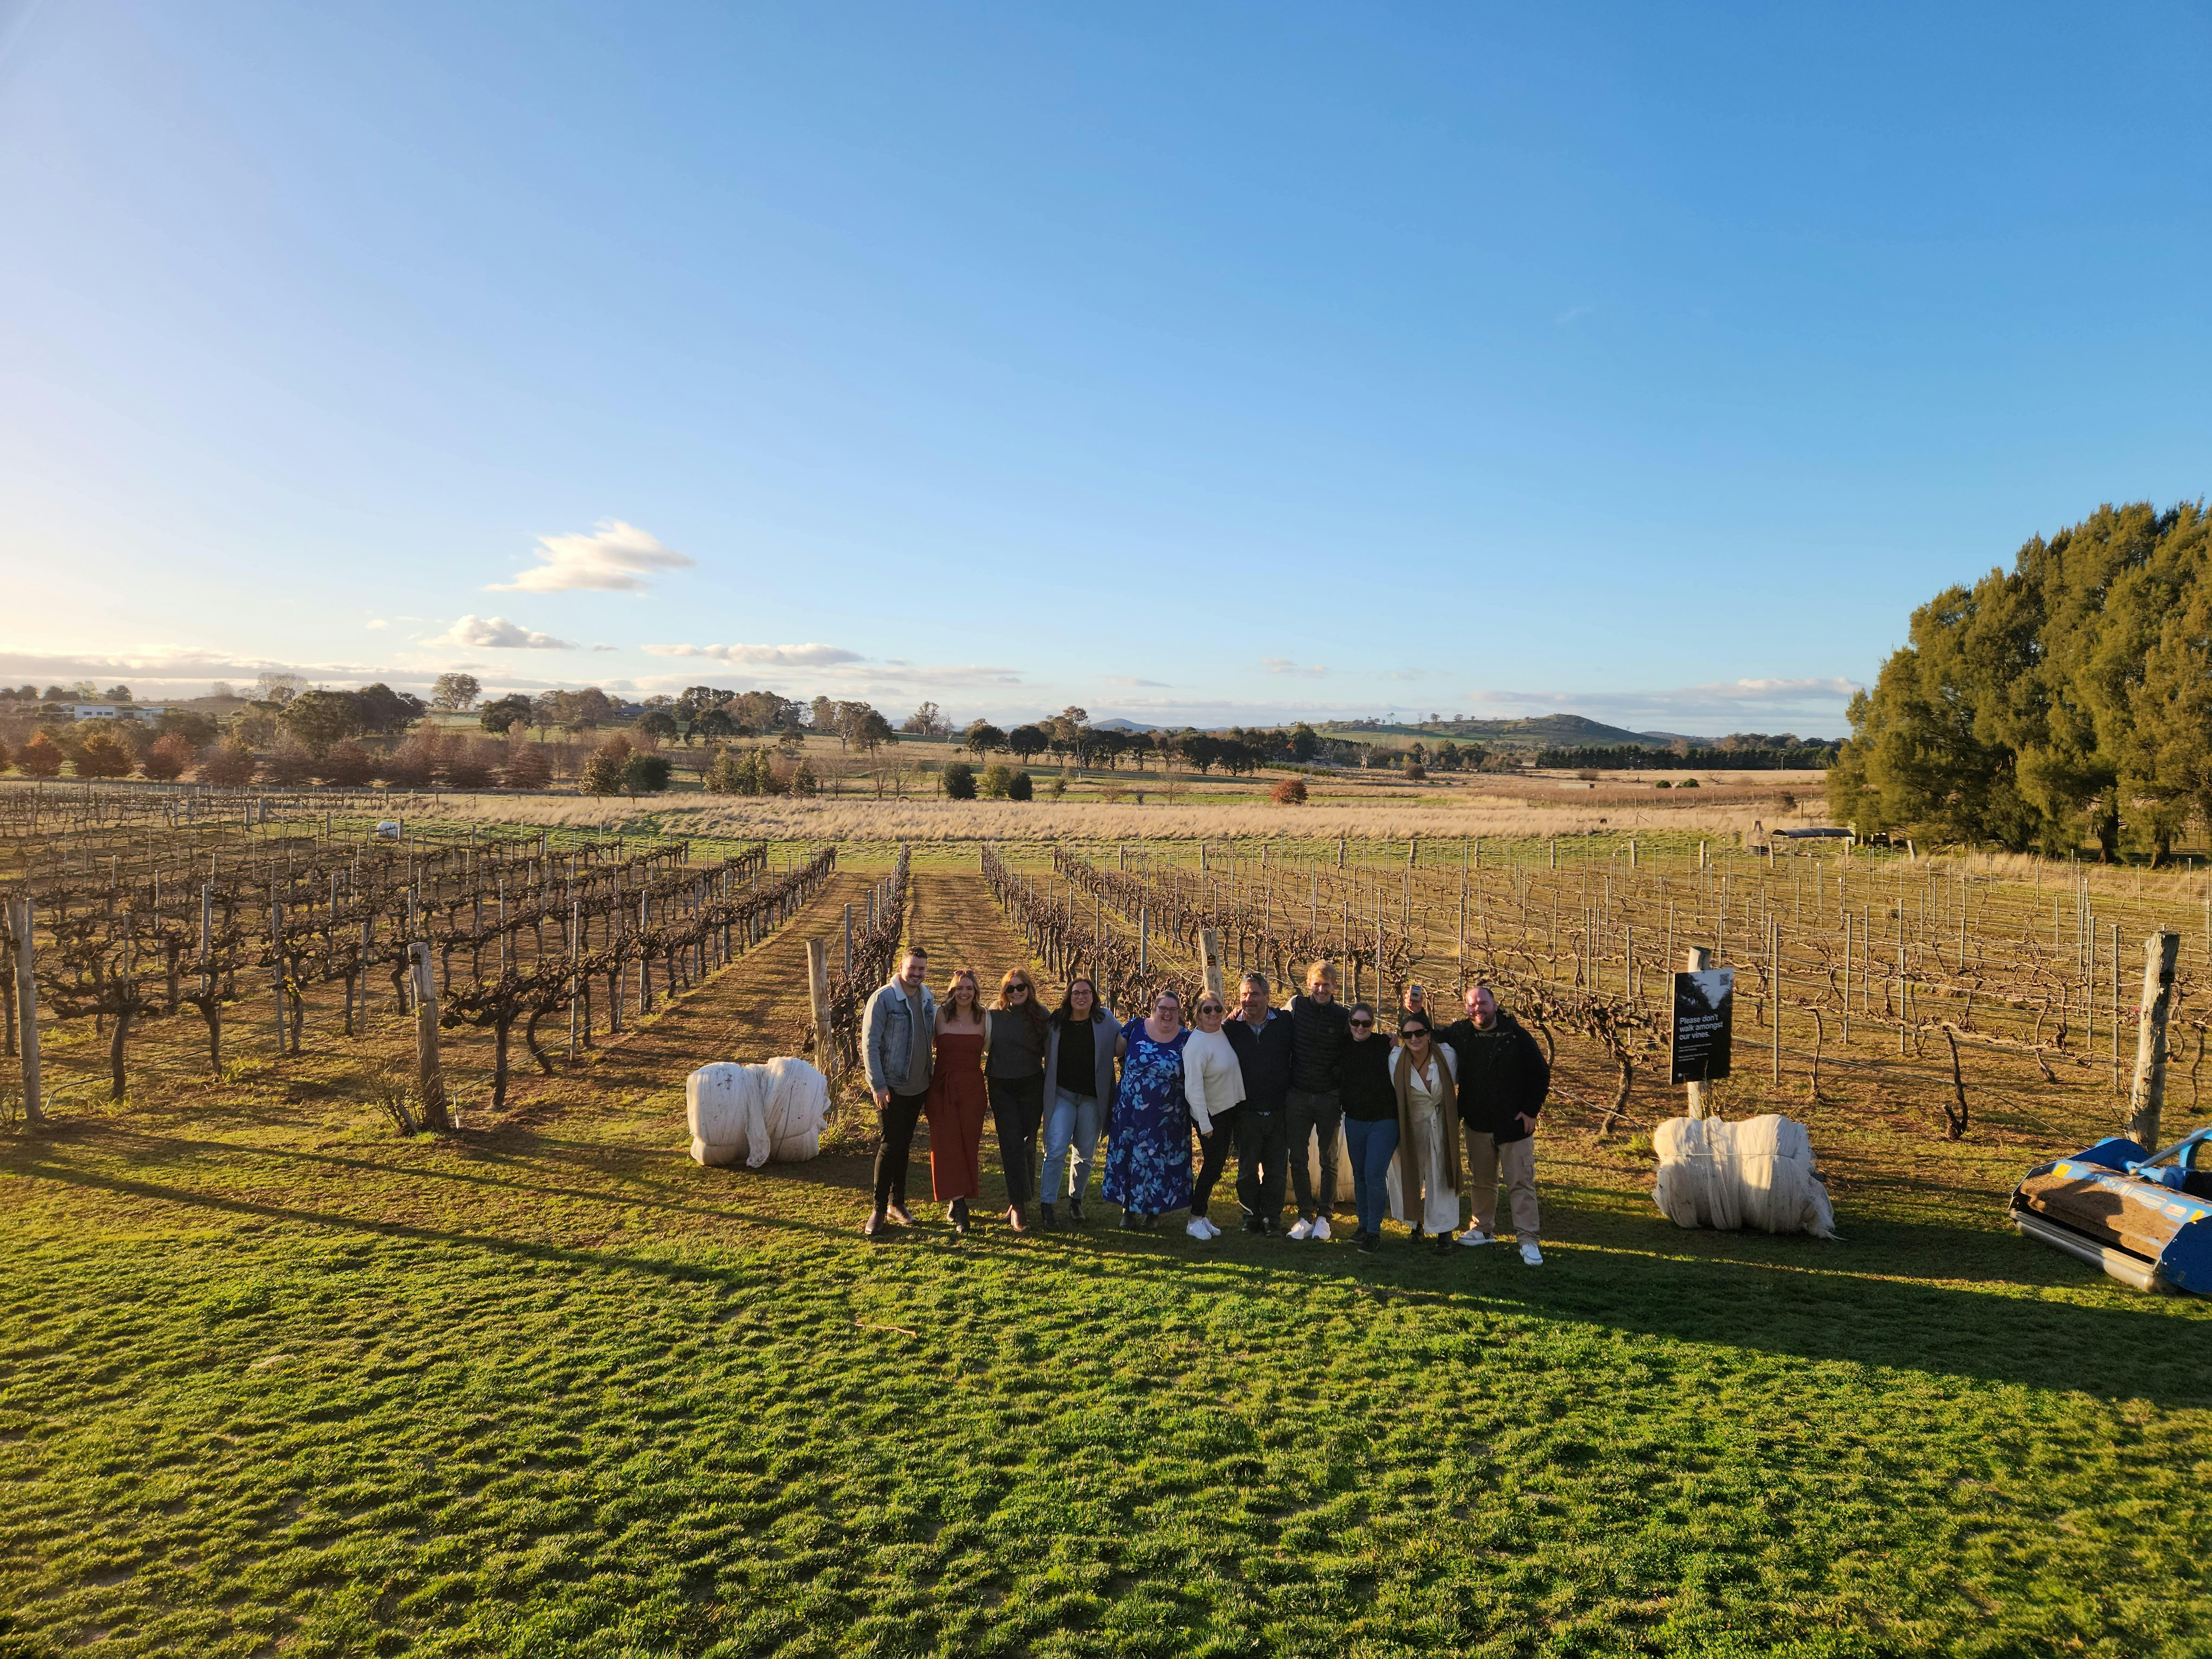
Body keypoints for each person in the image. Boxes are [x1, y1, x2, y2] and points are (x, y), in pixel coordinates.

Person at [1439, 983, 1549, 1265]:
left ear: (1495, 1004)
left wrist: (1530, 1112)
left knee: (1521, 1184)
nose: (1478, 1009)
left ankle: (1528, 1240)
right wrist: (1410, 1016)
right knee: (1482, 1183)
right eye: (1472, 1005)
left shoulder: (1516, 1036)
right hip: (1478, 1125)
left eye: (1483, 1004)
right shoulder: (1462, 1033)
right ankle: (1483, 1229)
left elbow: (1540, 1073)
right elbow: (1428, 1035)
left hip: (1513, 1126)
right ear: (1466, 1007)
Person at [860, 946, 935, 1236]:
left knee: (904, 1144)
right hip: (891, 1086)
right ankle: (879, 1209)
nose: (917, 974)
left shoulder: (927, 996)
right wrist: (878, 1084)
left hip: (919, 1086)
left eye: (922, 969)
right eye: (912, 968)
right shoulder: (884, 998)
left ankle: (898, 1204)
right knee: (890, 1144)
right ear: (901, 967)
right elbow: (870, 1044)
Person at [1104, 987, 1192, 1228]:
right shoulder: (1135, 1027)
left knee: (1159, 1160)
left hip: (1168, 1114)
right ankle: (1128, 1210)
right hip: (1131, 1109)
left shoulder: (1187, 1038)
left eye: (1173, 1010)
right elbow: (1115, 1051)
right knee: (1130, 1157)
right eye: (1162, 1009)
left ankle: (1153, 1212)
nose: (1167, 1014)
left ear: (1179, 1013)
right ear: (1154, 1009)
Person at [1223, 972, 1295, 1234]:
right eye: (1244, 994)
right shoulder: (1230, 1028)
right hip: (1246, 1112)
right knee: (1247, 1170)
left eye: (1254, 994)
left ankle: (1272, 1219)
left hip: (1279, 1111)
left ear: (1268, 996)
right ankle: (1250, 1218)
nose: (1249, 999)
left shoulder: (1285, 1022)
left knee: (1276, 1170)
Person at [1040, 976, 1116, 1226]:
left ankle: (1076, 1202)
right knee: (1056, 1151)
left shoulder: (1105, 1021)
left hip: (1092, 1100)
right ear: (1069, 997)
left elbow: (1127, 1039)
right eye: (1076, 993)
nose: (1081, 997)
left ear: (1094, 997)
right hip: (1063, 1096)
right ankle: (1048, 1205)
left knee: (1085, 1154)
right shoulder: (1056, 1022)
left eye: (1086, 993)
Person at [1285, 958, 1350, 1241]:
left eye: (1327, 985)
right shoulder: (1296, 1007)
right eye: (1317, 984)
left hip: (1328, 1097)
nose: (1321, 989)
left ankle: (1325, 1216)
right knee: (1297, 1157)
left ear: (1335, 986)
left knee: (1329, 1158)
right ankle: (1304, 1215)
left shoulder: (1343, 1017)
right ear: (1309, 984)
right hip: (1298, 1094)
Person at [983, 967, 1050, 1233]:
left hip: (1032, 1084)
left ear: (1029, 989)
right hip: (1001, 1084)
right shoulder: (994, 1014)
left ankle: (1022, 1197)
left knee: (1029, 1144)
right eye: (1011, 989)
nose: (1016, 993)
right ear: (1004, 992)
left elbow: (1053, 1049)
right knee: (1011, 1143)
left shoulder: (1042, 1015)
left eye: (1021, 987)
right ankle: (1018, 1206)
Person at [924, 968, 989, 1235]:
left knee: (967, 1147)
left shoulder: (985, 1017)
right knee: (945, 1146)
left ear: (976, 993)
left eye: (969, 989)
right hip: (942, 1088)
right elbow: (922, 1049)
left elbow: (994, 1050)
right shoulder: (939, 1015)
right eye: (960, 988)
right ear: (953, 990)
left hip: (973, 1089)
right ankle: (961, 1208)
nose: (964, 993)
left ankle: (957, 1198)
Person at [1392, 1010, 1462, 1254]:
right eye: (1408, 1034)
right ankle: (1416, 1224)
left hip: (1441, 1122)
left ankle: (1445, 1232)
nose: (1415, 1039)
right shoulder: (1395, 1060)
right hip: (1411, 1123)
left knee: (1442, 1175)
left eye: (1420, 1033)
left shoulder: (1447, 1056)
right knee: (1410, 1173)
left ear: (1429, 1034)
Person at [1181, 989, 1246, 1240]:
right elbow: (1193, 1089)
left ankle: (1202, 1214)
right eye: (1207, 1010)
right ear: (1198, 1015)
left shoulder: (1221, 1033)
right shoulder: (1196, 1045)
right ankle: (1195, 1218)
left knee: (1216, 1166)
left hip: (1227, 1109)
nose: (1213, 1014)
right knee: (1213, 1167)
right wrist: (1205, 1124)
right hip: (1210, 1115)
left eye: (1218, 1009)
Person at [1338, 1001, 1397, 1253]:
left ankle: (1374, 1231)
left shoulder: (1384, 1045)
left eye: (1366, 1023)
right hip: (1354, 1120)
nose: (1360, 1028)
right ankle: (1363, 1226)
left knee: (1374, 1175)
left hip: (1384, 1121)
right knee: (1359, 1175)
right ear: (1350, 1023)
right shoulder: (1341, 1048)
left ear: (1373, 1025)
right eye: (1356, 1023)